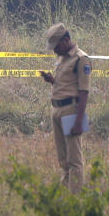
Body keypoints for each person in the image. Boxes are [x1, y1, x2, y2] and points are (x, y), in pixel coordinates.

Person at [40, 23, 91, 193]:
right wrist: (51, 80)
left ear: (67, 40)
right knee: (63, 159)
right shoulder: (62, 58)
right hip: (57, 110)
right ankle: (65, 194)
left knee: (74, 159)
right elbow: (67, 83)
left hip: (71, 111)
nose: (55, 51)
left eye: (57, 46)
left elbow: (84, 92)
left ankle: (75, 198)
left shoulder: (81, 59)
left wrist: (78, 121)